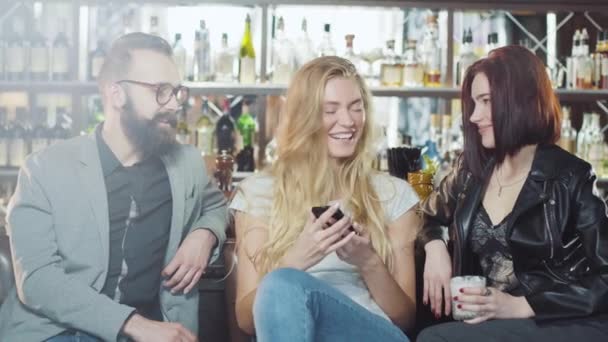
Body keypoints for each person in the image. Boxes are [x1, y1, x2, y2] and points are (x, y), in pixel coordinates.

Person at [0, 33, 228, 342]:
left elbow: (217, 206)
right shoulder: (44, 168)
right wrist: (134, 324)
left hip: (156, 331)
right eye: (161, 91)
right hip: (57, 332)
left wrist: (205, 235)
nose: (175, 104)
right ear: (117, 94)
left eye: (177, 92)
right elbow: (38, 280)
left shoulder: (185, 163)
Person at [416, 45, 608, 341]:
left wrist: (522, 305)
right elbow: (427, 216)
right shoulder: (470, 170)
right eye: (473, 103)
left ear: (520, 102)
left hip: (557, 322)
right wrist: (435, 247)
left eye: (486, 102)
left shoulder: (571, 177)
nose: (474, 116)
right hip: (489, 324)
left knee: (435, 339)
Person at [229, 56, 420, 342]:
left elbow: (404, 319)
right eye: (330, 110)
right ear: (304, 117)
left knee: (281, 283)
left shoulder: (394, 193)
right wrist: (297, 258)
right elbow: (246, 320)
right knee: (282, 283)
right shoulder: (257, 193)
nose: (348, 121)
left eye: (357, 108)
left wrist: (367, 261)